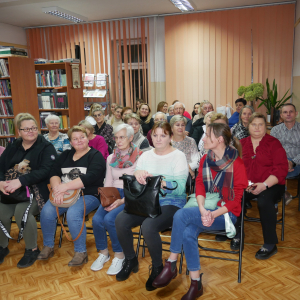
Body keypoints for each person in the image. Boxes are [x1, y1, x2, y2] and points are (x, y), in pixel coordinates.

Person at [152, 123, 247, 299]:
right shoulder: (205, 159)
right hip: (206, 208)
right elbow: (200, 186)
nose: (203, 139)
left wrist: (213, 214)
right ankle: (196, 284)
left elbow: (236, 201)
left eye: (207, 135)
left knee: (181, 214)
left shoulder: (237, 164)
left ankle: (171, 263)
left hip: (226, 213)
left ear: (218, 140)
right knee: (188, 232)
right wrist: (203, 209)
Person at [115, 121, 188, 291]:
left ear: (170, 137)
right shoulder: (146, 155)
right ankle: (130, 259)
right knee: (120, 220)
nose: (158, 139)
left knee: (148, 226)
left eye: (163, 135)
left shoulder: (178, 156)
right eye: (155, 135)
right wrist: (138, 173)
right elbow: (137, 180)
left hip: (171, 202)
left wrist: (162, 182)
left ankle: (157, 268)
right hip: (147, 202)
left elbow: (181, 189)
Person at [38, 126, 106, 266]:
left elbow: (91, 177)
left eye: (82, 137)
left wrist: (65, 187)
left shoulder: (96, 155)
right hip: (64, 192)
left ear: (88, 138)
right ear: (70, 142)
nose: (79, 140)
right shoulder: (65, 155)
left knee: (74, 213)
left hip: (88, 194)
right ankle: (48, 246)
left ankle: (81, 252)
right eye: (75, 139)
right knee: (47, 211)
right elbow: (54, 172)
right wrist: (57, 189)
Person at [0, 113, 57, 268]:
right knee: (1, 212)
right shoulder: (13, 146)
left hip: (35, 191)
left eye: (33, 128)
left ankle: (31, 249)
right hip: (11, 189)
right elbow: (0, 166)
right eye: (26, 129)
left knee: (21, 213)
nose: (31, 131)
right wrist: (0, 182)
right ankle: (2, 246)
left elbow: (45, 171)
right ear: (19, 132)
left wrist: (20, 181)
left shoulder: (46, 147)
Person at [231, 113, 288, 260]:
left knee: (264, 201)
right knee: (235, 196)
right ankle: (237, 233)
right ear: (248, 126)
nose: (257, 127)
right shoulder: (241, 143)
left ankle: (270, 243)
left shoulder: (274, 143)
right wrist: (244, 183)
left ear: (266, 127)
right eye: (253, 124)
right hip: (247, 184)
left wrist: (264, 185)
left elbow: (281, 168)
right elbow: (234, 167)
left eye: (260, 124)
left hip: (272, 184)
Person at [91, 124, 141, 275]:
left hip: (131, 195)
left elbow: (139, 185)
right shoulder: (111, 157)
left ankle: (120, 255)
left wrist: (123, 200)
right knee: (97, 219)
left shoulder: (140, 156)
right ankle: (104, 253)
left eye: (122, 137)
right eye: (116, 137)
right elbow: (108, 180)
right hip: (112, 193)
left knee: (110, 219)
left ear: (131, 138)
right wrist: (104, 198)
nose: (118, 141)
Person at [271, 103, 300, 205]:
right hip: (279, 163)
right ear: (281, 115)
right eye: (285, 112)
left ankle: (278, 199)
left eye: (291, 112)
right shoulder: (275, 130)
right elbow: (272, 150)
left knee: (274, 174)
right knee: (272, 170)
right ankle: (283, 193)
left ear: (296, 113)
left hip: (297, 164)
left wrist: (293, 162)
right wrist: (283, 161)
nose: (288, 114)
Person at [170, 115, 199, 179]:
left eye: (183, 125)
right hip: (170, 172)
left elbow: (196, 161)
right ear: (171, 128)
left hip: (186, 174)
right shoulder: (167, 142)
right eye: (177, 125)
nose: (180, 127)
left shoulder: (191, 141)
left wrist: (186, 167)